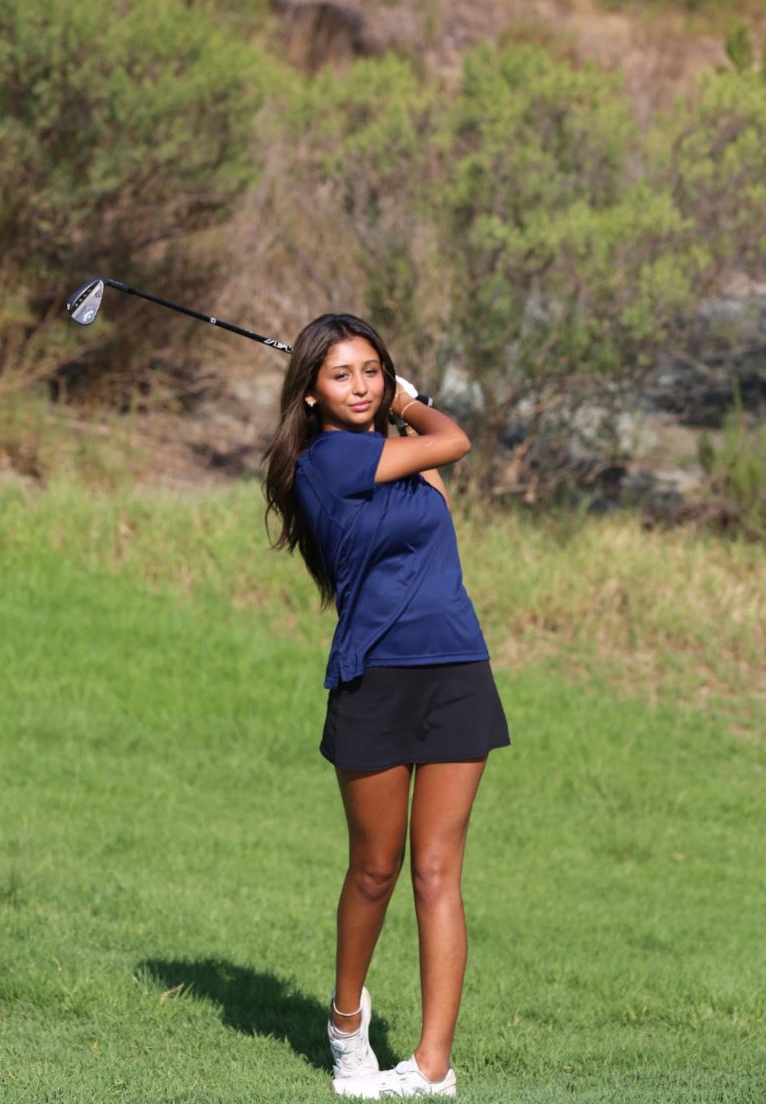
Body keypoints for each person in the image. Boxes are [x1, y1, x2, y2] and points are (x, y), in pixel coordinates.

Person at [263, 314, 510, 1099]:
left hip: (456, 668)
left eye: (372, 370)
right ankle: (345, 1025)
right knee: (375, 869)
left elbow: (436, 492)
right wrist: (412, 398)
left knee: (439, 870)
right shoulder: (325, 461)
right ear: (309, 394)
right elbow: (454, 440)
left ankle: (433, 1066)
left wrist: (401, 403)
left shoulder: (395, 460)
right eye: (342, 374)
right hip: (376, 677)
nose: (362, 386)